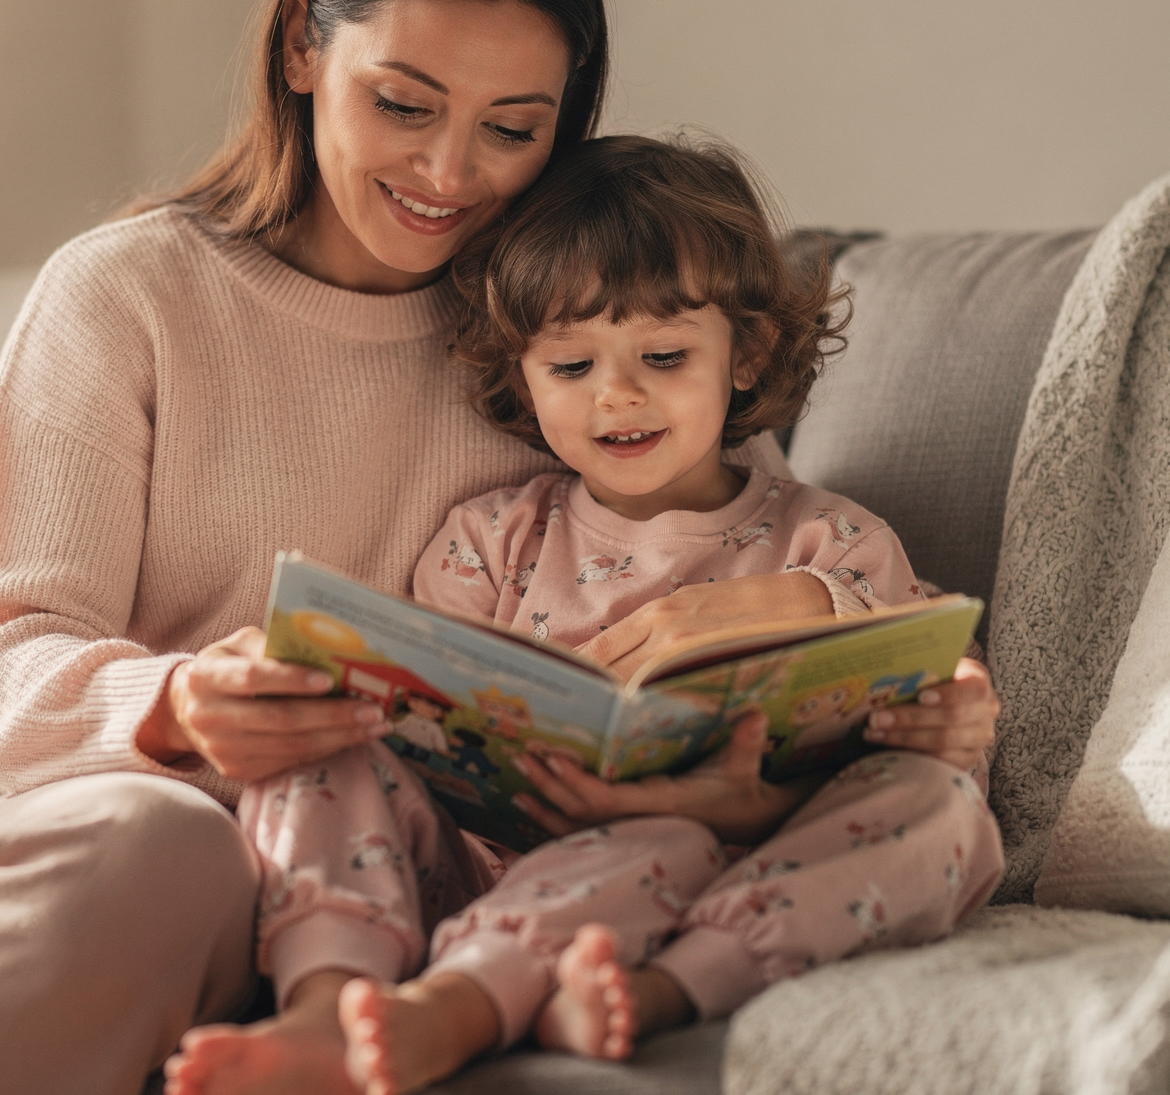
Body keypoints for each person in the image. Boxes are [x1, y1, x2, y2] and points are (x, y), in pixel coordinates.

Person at [0, 0, 1001, 1095]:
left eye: (512, 129)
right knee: (161, 840)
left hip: (413, 881)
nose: (451, 174)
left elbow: (736, 582)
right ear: (301, 46)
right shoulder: (127, 295)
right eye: (403, 104)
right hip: (71, 826)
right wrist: (173, 705)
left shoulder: (559, 331)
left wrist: (761, 770)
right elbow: (2, 649)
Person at [162, 135, 1004, 1095]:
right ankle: (327, 1008)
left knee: (940, 811)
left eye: (663, 354)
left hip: (711, 864)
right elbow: (412, 738)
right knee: (317, 741)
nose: (618, 394)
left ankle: (577, 1000)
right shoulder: (489, 539)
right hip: (481, 863)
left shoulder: (833, 546)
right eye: (571, 367)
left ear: (748, 353)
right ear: (520, 372)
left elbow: (939, 724)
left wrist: (952, 719)